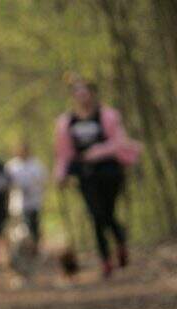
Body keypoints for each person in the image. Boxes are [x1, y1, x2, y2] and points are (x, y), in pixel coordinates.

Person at [53, 79, 141, 278]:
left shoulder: (108, 115)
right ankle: (106, 260)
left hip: (110, 171)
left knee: (108, 213)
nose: (82, 96)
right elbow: (63, 151)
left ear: (93, 94)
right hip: (86, 174)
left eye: (85, 92)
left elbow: (119, 141)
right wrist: (60, 174)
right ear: (73, 96)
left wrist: (96, 152)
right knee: (96, 215)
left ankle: (120, 242)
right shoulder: (67, 122)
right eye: (78, 93)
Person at [5, 141, 46, 249]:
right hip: (18, 202)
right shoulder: (11, 166)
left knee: (34, 225)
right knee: (20, 227)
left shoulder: (36, 164)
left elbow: (42, 180)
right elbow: (7, 184)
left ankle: (35, 247)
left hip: (34, 201)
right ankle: (21, 249)